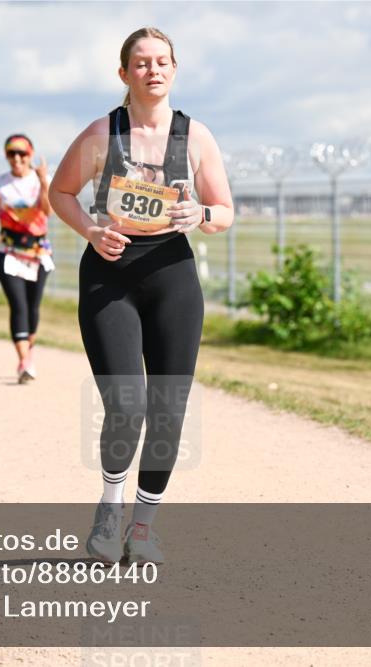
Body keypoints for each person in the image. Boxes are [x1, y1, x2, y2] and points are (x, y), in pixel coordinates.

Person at [49, 27, 233, 564]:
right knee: (126, 404)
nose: (153, 70)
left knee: (169, 408)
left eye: (162, 61)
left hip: (172, 274)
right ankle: (110, 508)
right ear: (124, 73)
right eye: (141, 62)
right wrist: (90, 230)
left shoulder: (195, 136)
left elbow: (223, 212)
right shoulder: (101, 134)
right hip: (111, 274)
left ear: (174, 69)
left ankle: (144, 527)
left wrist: (201, 213)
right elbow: (60, 192)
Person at [0, 134, 54, 383]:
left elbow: (48, 210)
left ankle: (29, 353)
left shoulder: (41, 179)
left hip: (38, 252)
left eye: (22, 153)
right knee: (18, 304)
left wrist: (43, 181)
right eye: (11, 154)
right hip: (8, 251)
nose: (17, 158)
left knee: (33, 305)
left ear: (31, 155)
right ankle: (24, 361)